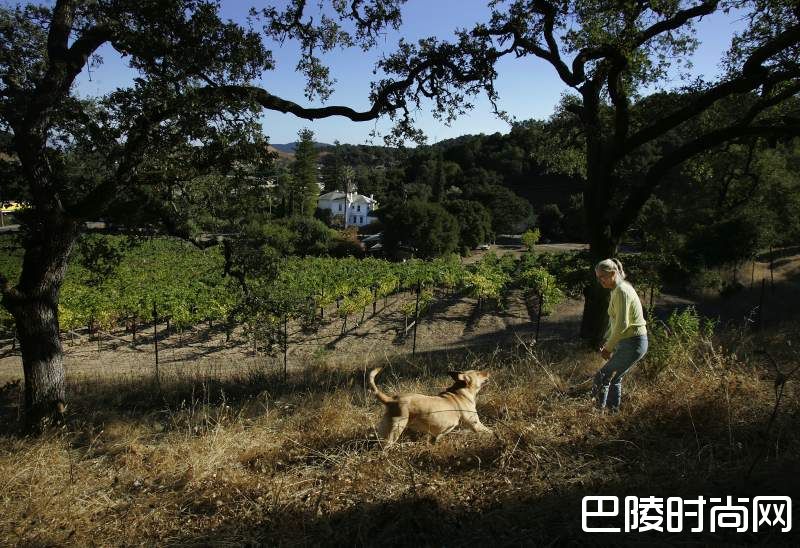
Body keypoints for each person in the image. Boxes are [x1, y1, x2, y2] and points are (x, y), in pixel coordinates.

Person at [592, 258, 648, 412]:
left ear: (613, 273)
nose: (600, 280)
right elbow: (615, 322)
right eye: (598, 277)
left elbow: (622, 324)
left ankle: (598, 412)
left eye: (602, 276)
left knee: (602, 376)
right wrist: (607, 340)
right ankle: (610, 413)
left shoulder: (622, 291)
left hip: (633, 343)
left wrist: (608, 348)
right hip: (632, 342)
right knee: (613, 378)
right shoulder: (619, 289)